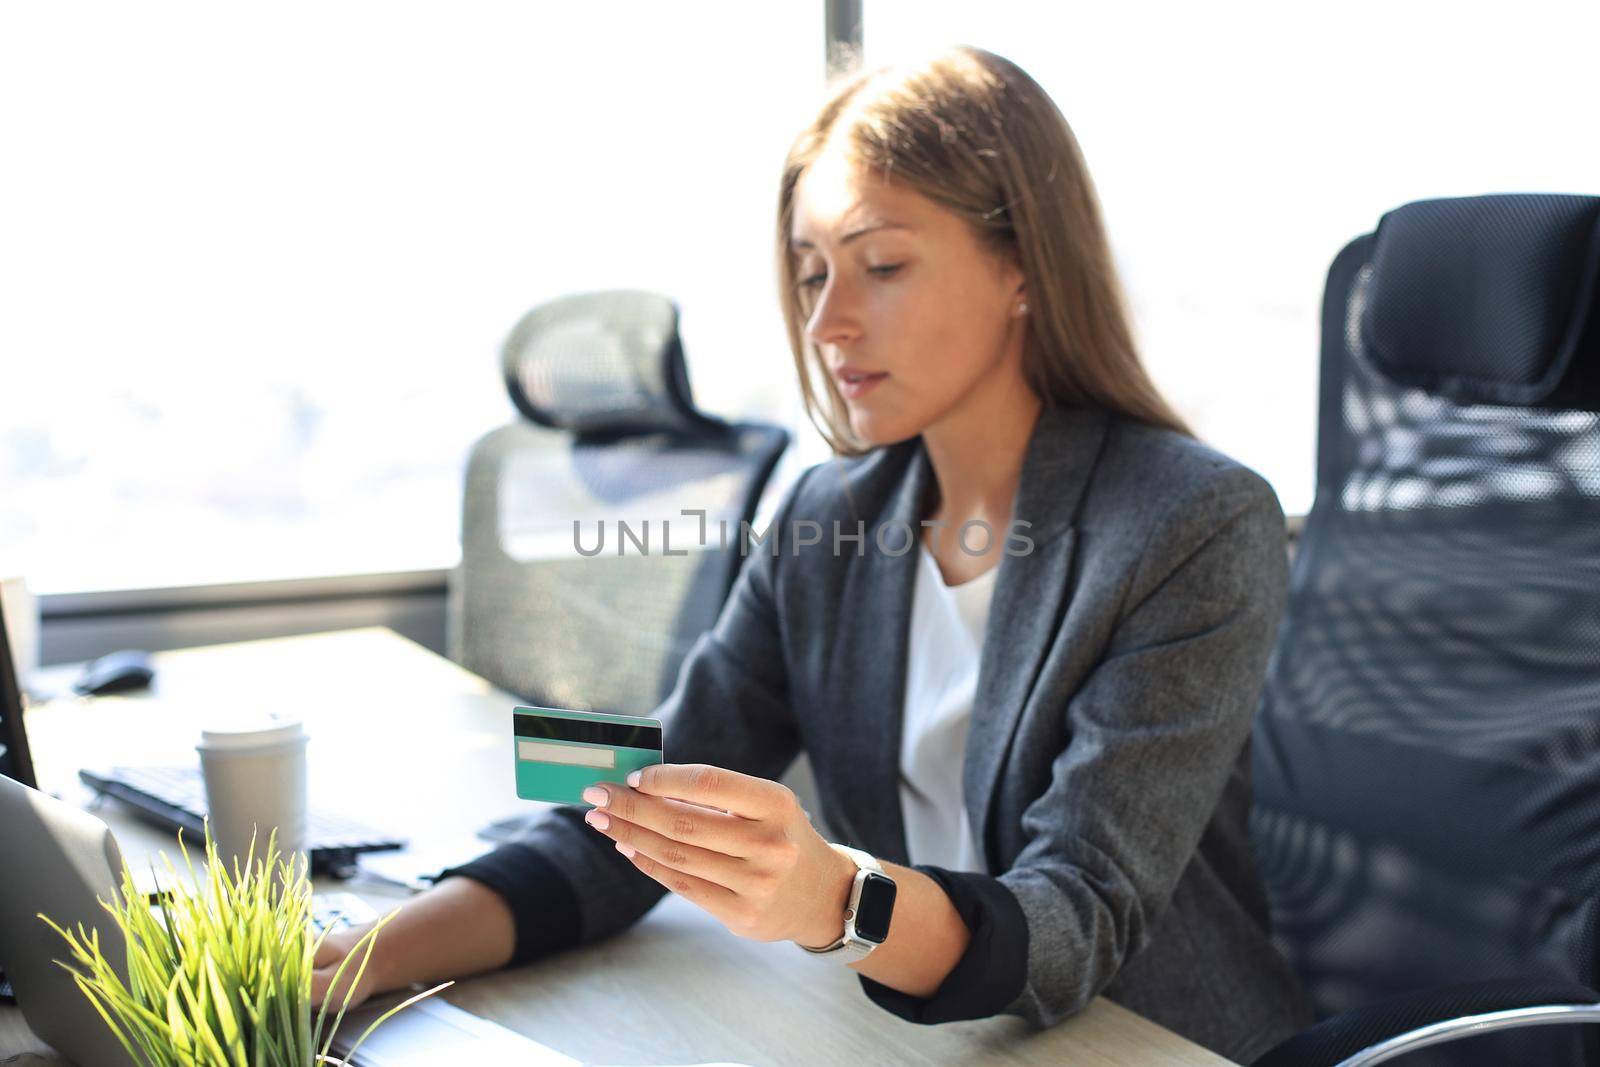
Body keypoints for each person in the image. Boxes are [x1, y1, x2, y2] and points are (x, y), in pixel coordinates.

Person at [312, 44, 1313, 1062]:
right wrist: (358, 957)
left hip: (1150, 1038)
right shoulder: (825, 519)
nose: (829, 321)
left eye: (880, 265)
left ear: (1020, 266)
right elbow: (637, 807)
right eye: (810, 273)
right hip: (933, 1034)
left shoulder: (1189, 521)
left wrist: (837, 897)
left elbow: (1075, 916)